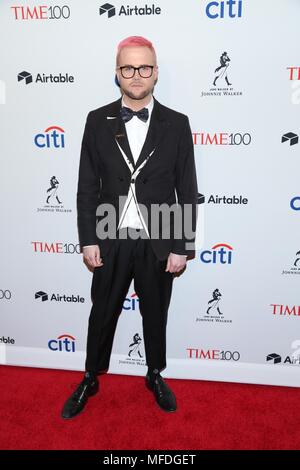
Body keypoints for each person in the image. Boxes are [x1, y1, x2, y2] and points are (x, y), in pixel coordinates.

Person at [61, 36, 198, 419]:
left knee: (156, 313)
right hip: (110, 237)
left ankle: (154, 373)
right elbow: (87, 186)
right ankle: (91, 375)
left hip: (159, 238)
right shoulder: (96, 119)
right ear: (117, 73)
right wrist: (88, 238)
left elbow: (187, 187)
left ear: (155, 73)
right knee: (102, 312)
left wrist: (181, 245)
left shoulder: (177, 123)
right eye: (128, 68)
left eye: (144, 68)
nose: (136, 75)